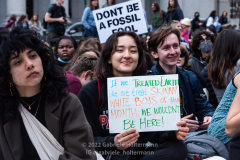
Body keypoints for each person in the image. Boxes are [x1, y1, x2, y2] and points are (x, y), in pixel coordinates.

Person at [78, 31, 189, 160]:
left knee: (177, 147)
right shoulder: (90, 92)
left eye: (133, 51)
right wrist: (113, 143)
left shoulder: (149, 88)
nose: (127, 56)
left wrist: (173, 131)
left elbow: (152, 135)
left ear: (139, 57)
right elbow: (83, 142)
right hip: (107, 155)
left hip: (138, 153)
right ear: (108, 57)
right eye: (120, 50)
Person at [0, 26, 96, 160]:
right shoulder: (4, 111)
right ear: (7, 74)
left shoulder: (68, 103)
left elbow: (81, 155)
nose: (29, 64)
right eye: (18, 62)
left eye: (33, 56)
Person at [148, 26, 215, 133]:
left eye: (175, 46)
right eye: (166, 48)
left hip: (190, 138)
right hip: (163, 144)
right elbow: (146, 122)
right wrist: (175, 125)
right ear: (154, 53)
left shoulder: (190, 77)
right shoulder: (147, 82)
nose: (173, 52)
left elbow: (204, 107)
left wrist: (208, 116)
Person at [207, 30, 240, 148]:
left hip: (220, 123)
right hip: (226, 127)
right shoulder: (235, 72)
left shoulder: (213, 69)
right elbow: (230, 129)